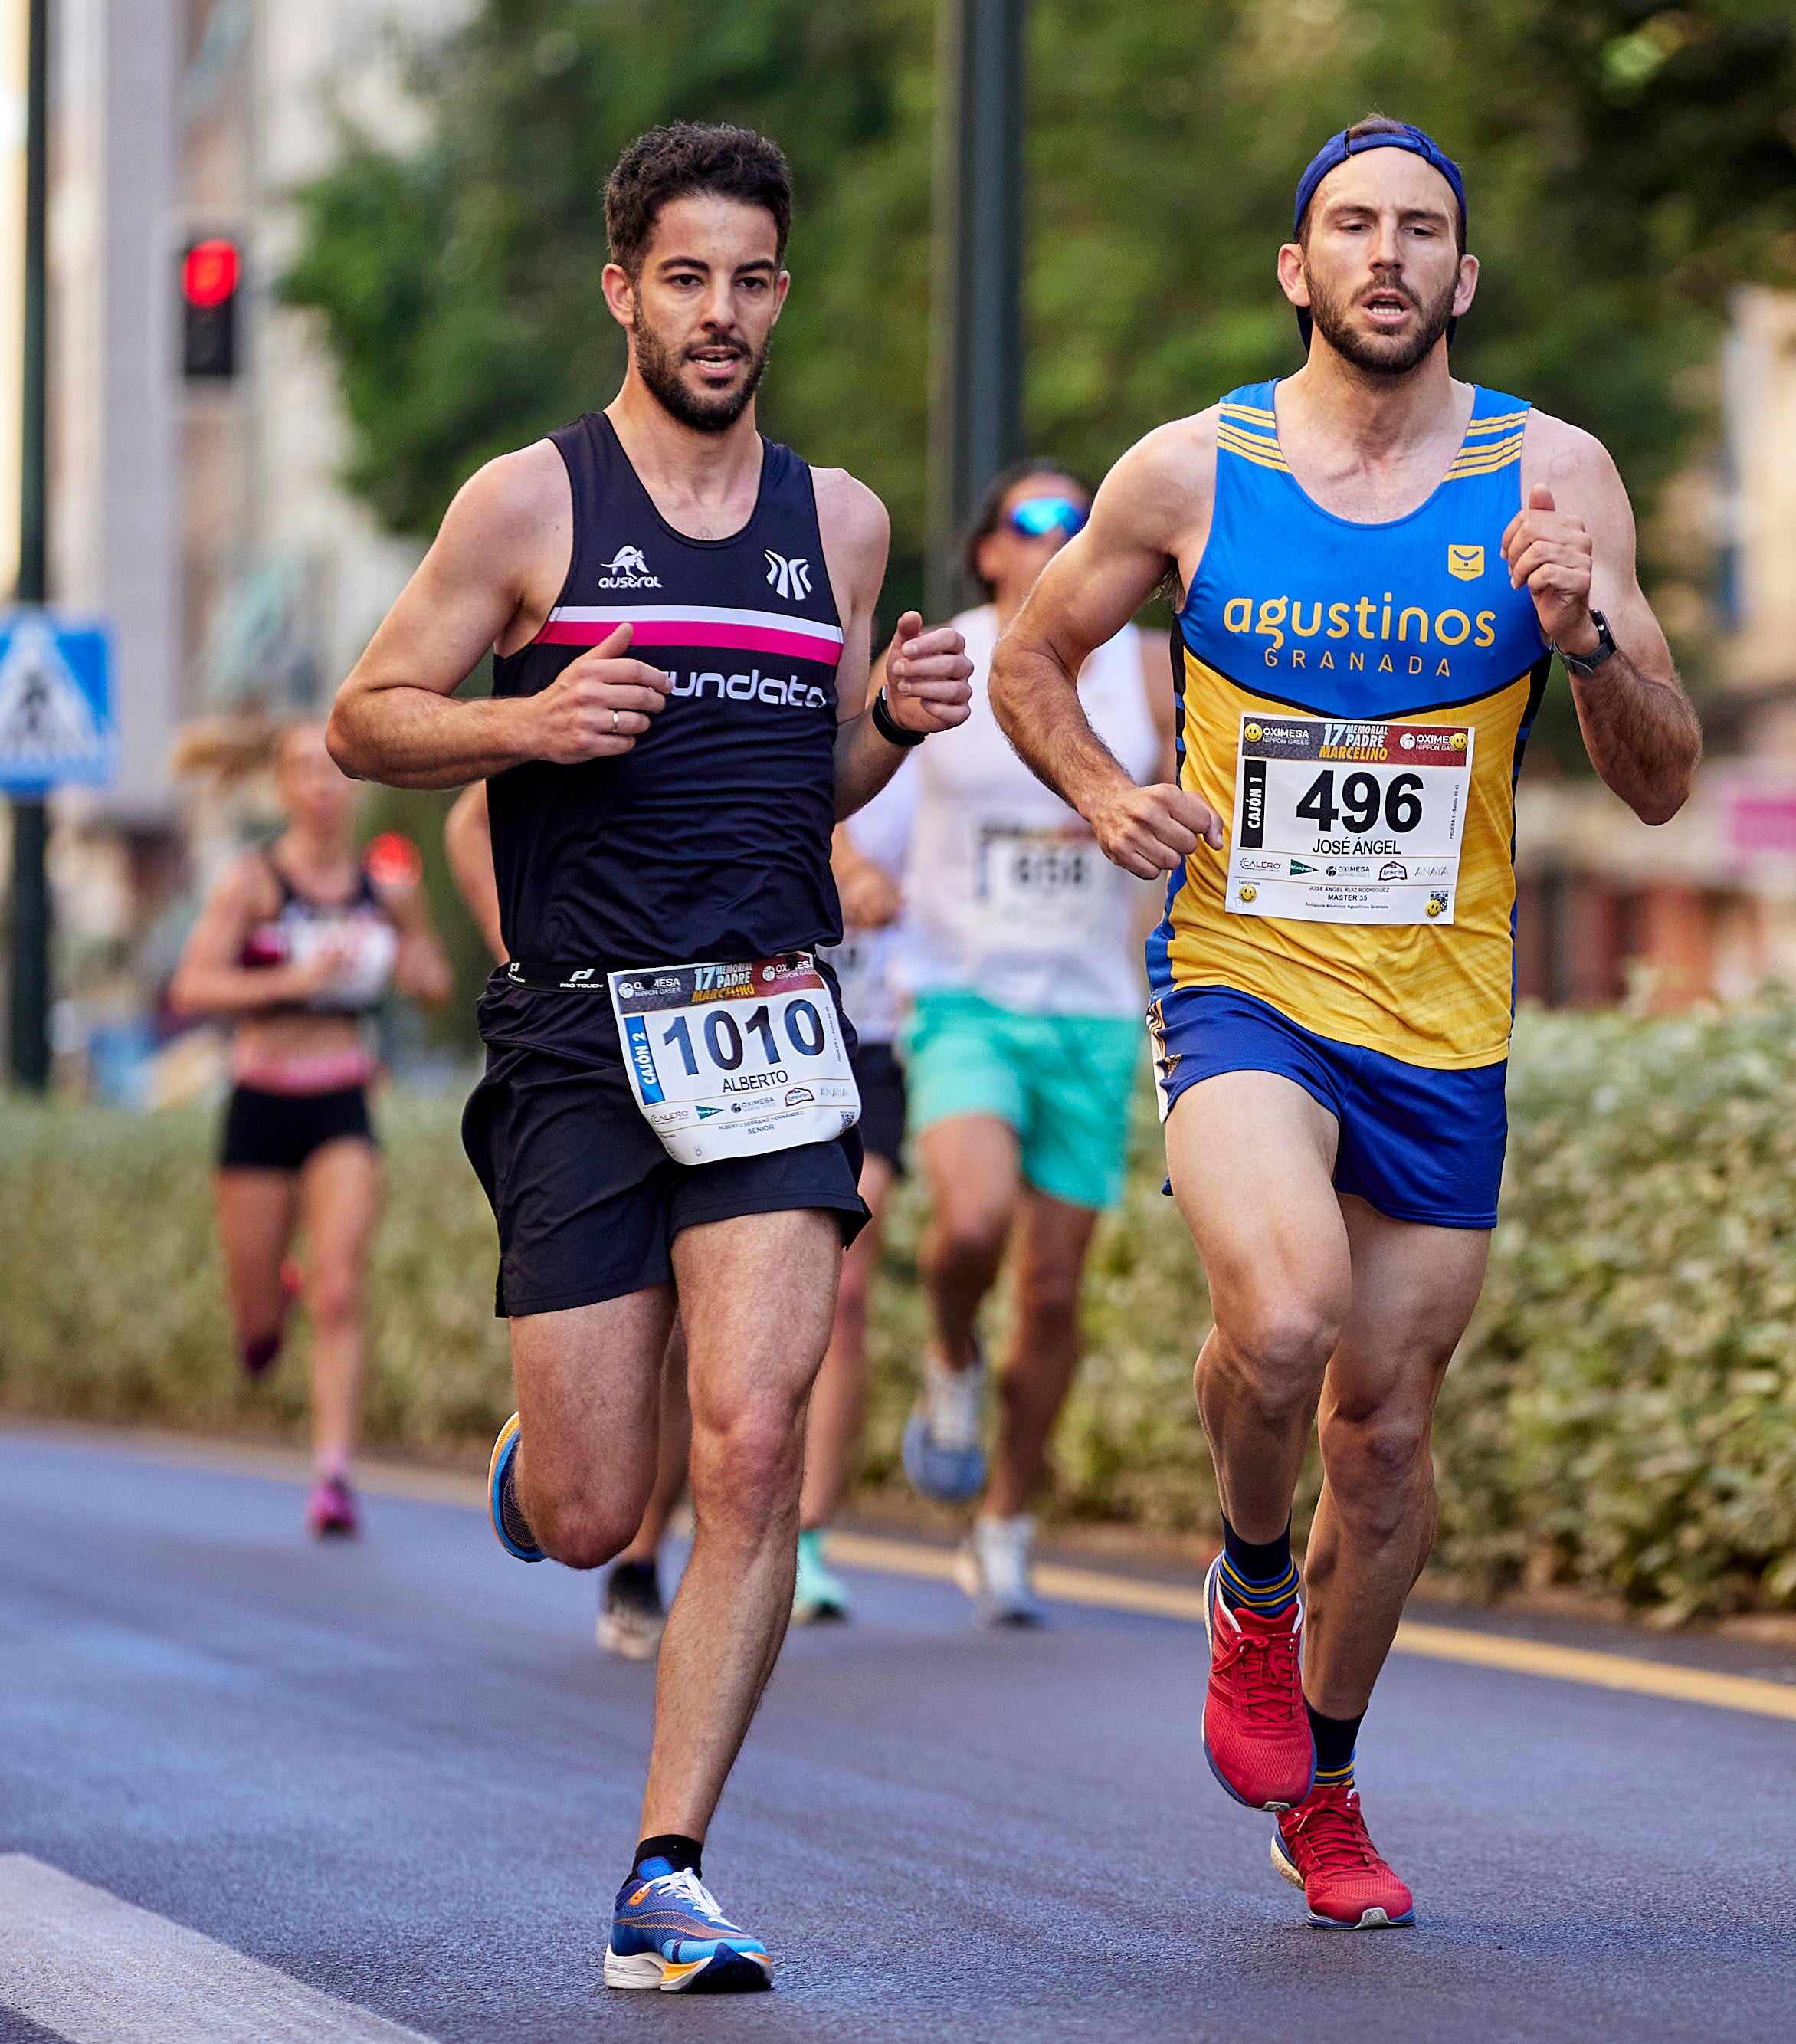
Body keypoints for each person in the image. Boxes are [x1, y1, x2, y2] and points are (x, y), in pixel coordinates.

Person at [992, 116, 1699, 1928]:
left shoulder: (1556, 476)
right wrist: (1095, 792)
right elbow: (1027, 658)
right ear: (1297, 270)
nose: (1385, 256)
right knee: (1289, 1309)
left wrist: (1585, 636)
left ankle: (1326, 1775)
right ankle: (1246, 1576)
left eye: (1421, 233)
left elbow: (1660, 784)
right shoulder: (1188, 471)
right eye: (1349, 227)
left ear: (1461, 279)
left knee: (1381, 1436)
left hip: (1446, 1019)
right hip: (1243, 979)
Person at [327, 121, 973, 1991]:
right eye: (683, 278)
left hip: (778, 1022)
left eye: (750, 278)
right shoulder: (532, 503)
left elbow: (815, 770)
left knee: (755, 1445)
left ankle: (666, 1871)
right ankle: (552, 1468)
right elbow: (370, 717)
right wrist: (528, 729)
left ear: (783, 290)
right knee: (606, 1504)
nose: (719, 311)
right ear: (623, 290)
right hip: (584, 1037)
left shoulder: (837, 520)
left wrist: (901, 729)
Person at [890, 460, 1170, 1626]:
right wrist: (852, 868)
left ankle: (1006, 1519)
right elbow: (859, 812)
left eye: (1079, 516)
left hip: (1094, 1009)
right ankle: (950, 1351)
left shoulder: (1144, 672)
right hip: (961, 995)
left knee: (1053, 1296)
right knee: (972, 1220)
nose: (1060, 531)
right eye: (1034, 517)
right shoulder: (947, 659)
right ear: (988, 549)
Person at [167, 720, 451, 1537]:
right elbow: (192, 985)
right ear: (284, 787)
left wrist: (414, 959)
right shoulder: (255, 883)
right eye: (304, 771)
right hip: (261, 1099)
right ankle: (269, 1305)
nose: (322, 786)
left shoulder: (386, 888)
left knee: (340, 1286)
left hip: (341, 1099)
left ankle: (333, 1473)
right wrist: (290, 978)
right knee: (258, 1326)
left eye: (334, 771)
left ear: (353, 784)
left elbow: (430, 977)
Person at [450, 779, 693, 1659]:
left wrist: (889, 726)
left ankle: (652, 1559)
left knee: (730, 1352)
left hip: (750, 1025)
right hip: (591, 1042)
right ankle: (569, 1457)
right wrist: (531, 958)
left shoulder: (792, 656)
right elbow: (470, 818)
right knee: (650, 1345)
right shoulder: (604, 661)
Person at [797, 773, 921, 1622]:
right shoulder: (745, 700)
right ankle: (670, 1520)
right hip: (749, 1035)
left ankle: (803, 1535)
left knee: (839, 1290)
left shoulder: (920, 753)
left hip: (867, 1045)